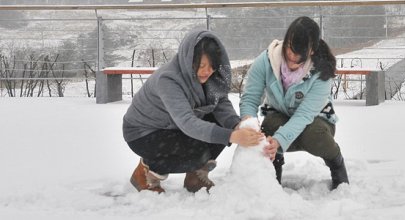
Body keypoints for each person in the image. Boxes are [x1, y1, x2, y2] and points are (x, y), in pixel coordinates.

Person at [123, 29, 263, 193]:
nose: (206, 71)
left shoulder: (211, 77)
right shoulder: (168, 80)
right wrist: (232, 136)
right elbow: (187, 122)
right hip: (145, 133)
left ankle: (195, 176)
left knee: (219, 126)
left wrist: (236, 125)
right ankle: (147, 172)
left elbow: (220, 103)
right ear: (189, 61)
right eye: (201, 65)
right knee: (198, 154)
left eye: (211, 66)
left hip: (173, 127)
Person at [239, 16, 349, 190]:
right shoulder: (267, 60)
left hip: (315, 121)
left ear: (311, 51)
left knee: (314, 135)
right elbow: (250, 98)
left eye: (298, 54)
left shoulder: (321, 72)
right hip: (279, 116)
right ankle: (273, 173)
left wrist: (280, 140)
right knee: (267, 130)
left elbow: (304, 115)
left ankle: (337, 163)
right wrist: (248, 125)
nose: (291, 56)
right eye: (289, 48)